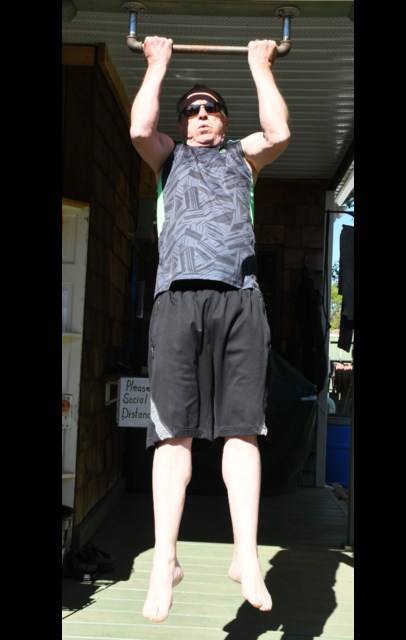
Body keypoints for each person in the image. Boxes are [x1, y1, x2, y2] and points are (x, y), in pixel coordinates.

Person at [129, 36, 290, 623]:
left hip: (240, 300)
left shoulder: (241, 157)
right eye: (192, 110)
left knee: (242, 431)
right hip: (177, 300)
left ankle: (245, 555)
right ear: (182, 122)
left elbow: (278, 135)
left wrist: (258, 65)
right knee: (173, 434)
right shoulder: (167, 157)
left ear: (223, 120)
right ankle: (163, 560)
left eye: (210, 109)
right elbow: (138, 128)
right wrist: (158, 63)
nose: (201, 117)